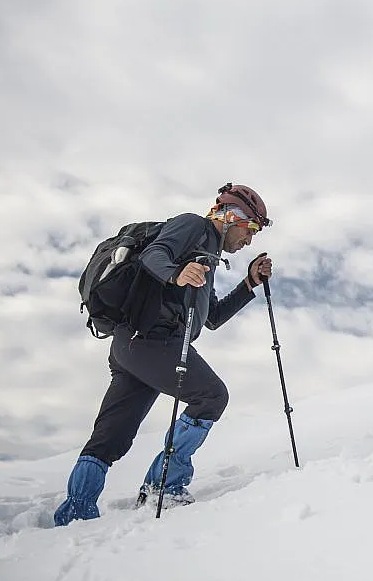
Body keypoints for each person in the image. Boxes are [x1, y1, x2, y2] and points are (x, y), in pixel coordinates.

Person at [53, 184, 275, 525]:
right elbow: (153, 255)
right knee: (211, 396)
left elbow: (211, 317)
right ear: (233, 216)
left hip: (136, 347)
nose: (251, 239)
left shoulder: (208, 257)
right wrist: (176, 273)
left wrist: (249, 284)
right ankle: (164, 488)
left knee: (111, 436)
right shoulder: (193, 226)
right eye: (253, 228)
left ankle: (75, 513)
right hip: (152, 341)